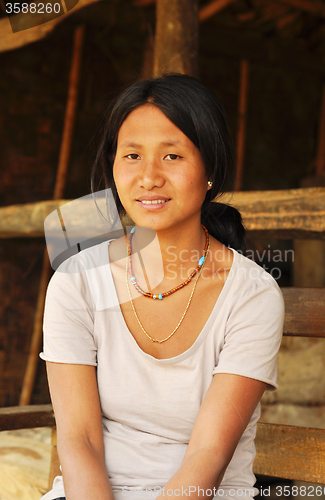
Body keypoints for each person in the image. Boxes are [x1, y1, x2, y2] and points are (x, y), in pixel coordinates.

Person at [40, 74, 284, 500]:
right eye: (132, 155)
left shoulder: (251, 295)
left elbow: (206, 456)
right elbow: (79, 440)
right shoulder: (76, 280)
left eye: (172, 155)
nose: (149, 177)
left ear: (210, 170)